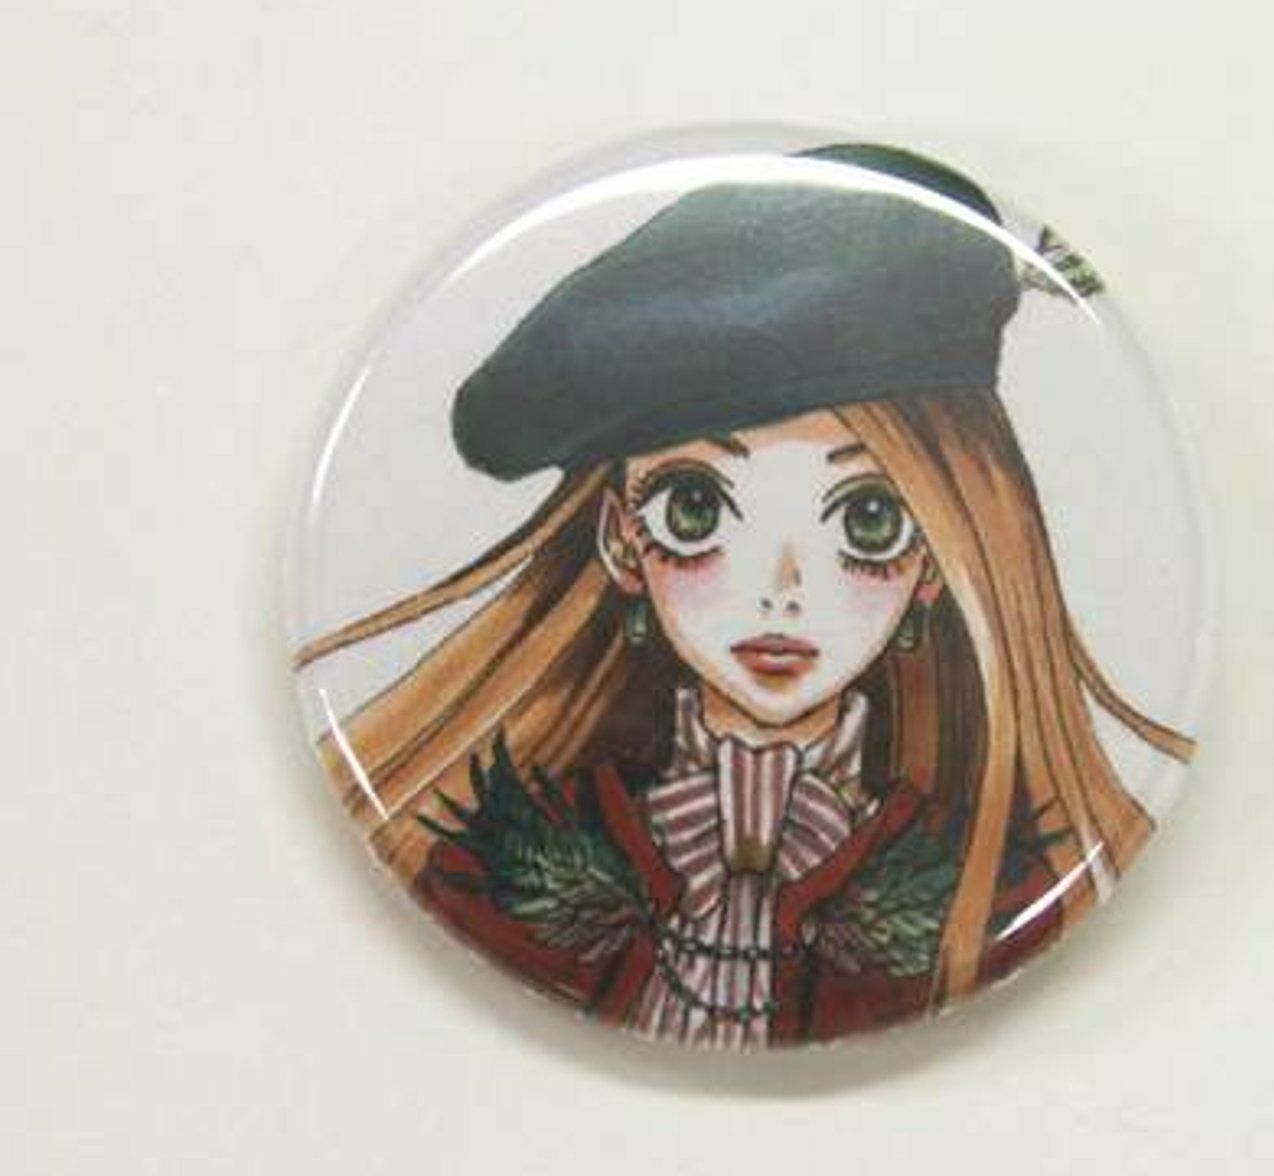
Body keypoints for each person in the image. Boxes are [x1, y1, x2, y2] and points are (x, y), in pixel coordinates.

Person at [294, 142, 1194, 1048]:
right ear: (620, 539)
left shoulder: (999, 886)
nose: (780, 594)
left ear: (939, 556)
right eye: (695, 508)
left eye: (869, 520)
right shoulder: (489, 860)